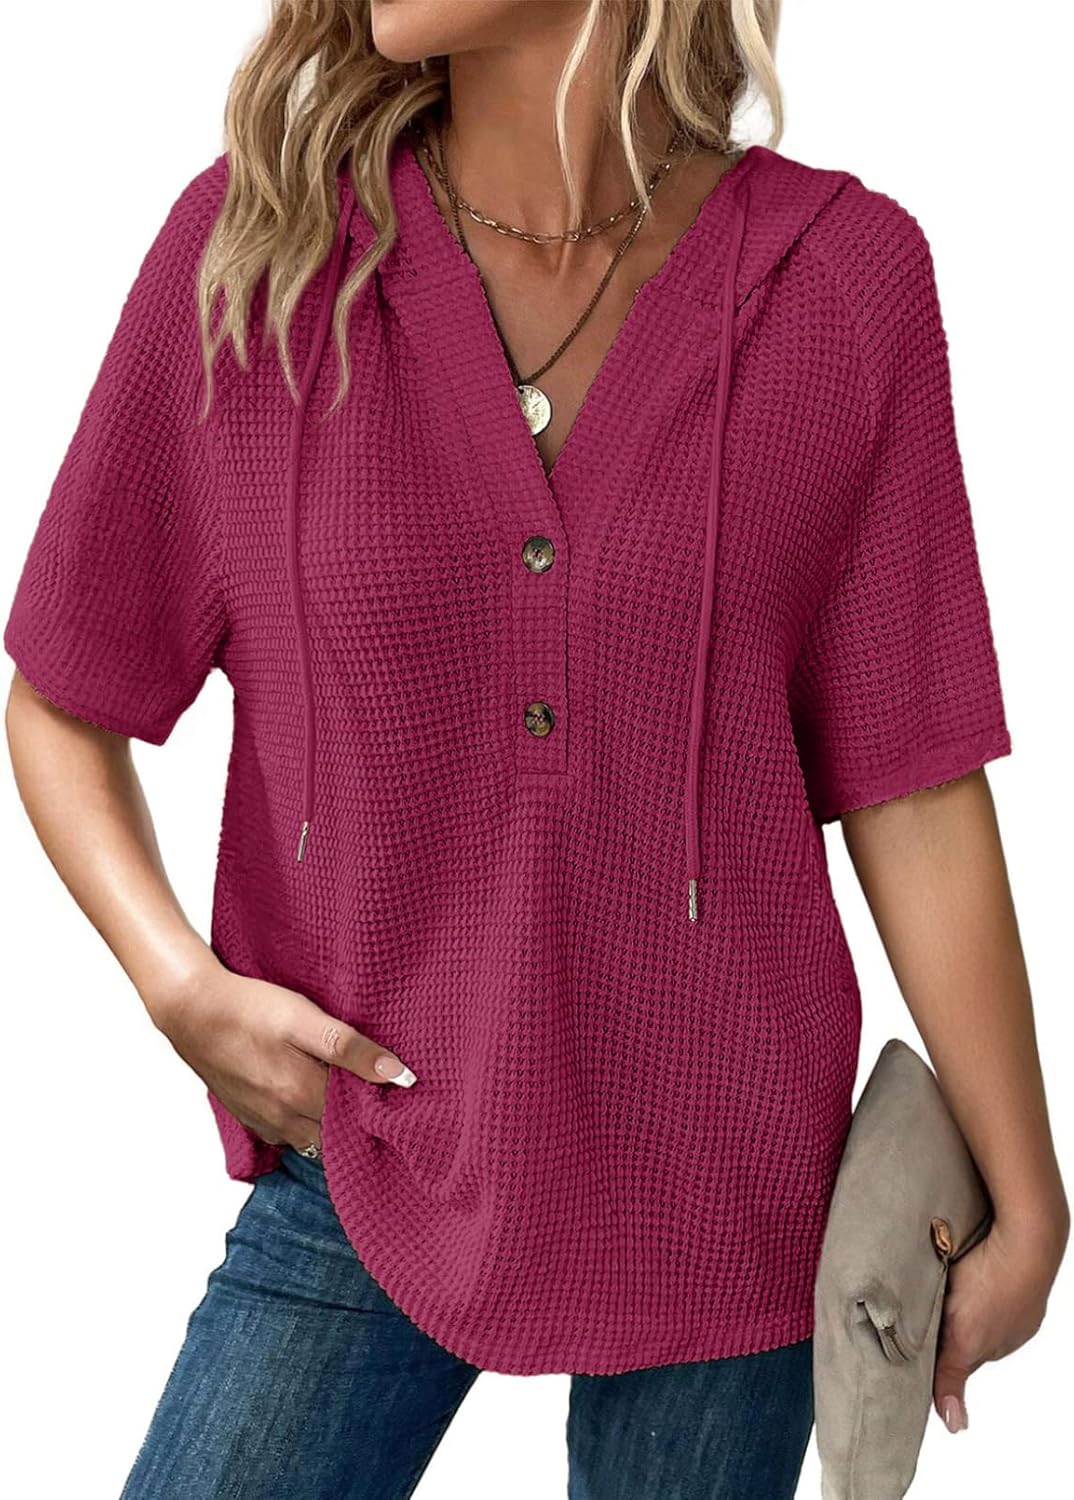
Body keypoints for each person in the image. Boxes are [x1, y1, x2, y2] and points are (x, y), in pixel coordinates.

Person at [4, 2, 1068, 1497]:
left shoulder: (839, 281)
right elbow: (64, 692)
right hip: (366, 1139)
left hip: (725, 1195)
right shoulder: (268, 253)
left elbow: (911, 771)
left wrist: (1029, 1191)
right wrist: (178, 987)